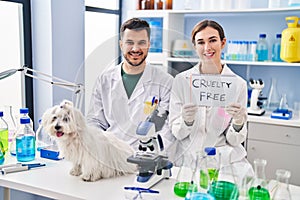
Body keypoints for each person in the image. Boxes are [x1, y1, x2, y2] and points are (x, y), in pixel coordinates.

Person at [169, 20, 253, 180]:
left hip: (224, 162)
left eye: (213, 40)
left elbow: (234, 140)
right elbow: (177, 133)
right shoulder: (181, 81)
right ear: (195, 46)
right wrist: (186, 121)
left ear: (223, 43)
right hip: (188, 161)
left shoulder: (238, 85)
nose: (207, 48)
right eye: (201, 42)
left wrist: (238, 123)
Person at [86, 18, 174, 151]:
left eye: (141, 43)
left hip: (148, 156)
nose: (135, 48)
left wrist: (153, 154)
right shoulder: (104, 80)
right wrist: (102, 149)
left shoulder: (165, 81)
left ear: (149, 44)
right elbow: (95, 122)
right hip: (111, 154)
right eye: (129, 43)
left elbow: (167, 128)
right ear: (121, 45)